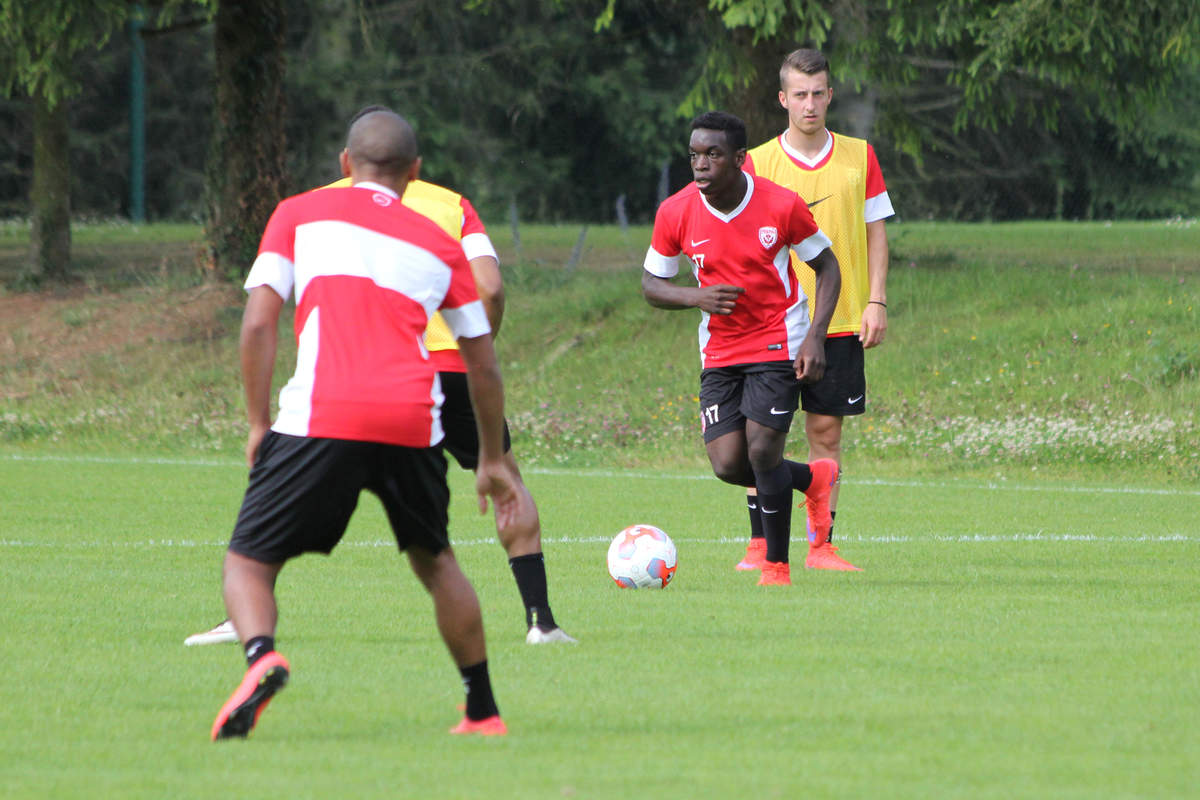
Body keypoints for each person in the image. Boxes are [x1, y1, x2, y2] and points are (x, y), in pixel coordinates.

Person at [187, 112, 574, 648]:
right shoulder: (451, 204)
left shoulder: (315, 206)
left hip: (350, 375)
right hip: (450, 369)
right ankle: (542, 622)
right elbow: (490, 287)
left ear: (347, 161)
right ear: (413, 168)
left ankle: (244, 621)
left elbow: (265, 314)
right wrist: (476, 346)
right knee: (504, 476)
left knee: (278, 487)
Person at [640, 110, 842, 587]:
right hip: (720, 350)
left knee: (763, 448)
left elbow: (828, 266)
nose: (701, 165)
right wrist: (696, 297)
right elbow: (651, 285)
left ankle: (776, 567)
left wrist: (815, 335)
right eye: (694, 155)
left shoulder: (780, 205)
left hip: (779, 338)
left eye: (713, 154)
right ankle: (813, 480)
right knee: (729, 463)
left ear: (739, 158)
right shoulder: (675, 211)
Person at [735, 48, 895, 573]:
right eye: (799, 94)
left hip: (841, 320)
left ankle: (821, 546)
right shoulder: (756, 162)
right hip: (771, 325)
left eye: (818, 93)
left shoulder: (860, 155)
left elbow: (876, 232)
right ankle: (760, 544)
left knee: (826, 434)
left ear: (830, 95)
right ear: (783, 99)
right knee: (763, 437)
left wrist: (876, 300)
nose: (810, 104)